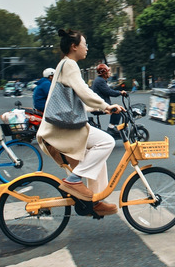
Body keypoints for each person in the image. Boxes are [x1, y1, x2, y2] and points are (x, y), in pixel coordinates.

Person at [36, 29, 124, 216]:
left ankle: (95, 200)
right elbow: (84, 92)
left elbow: (72, 102)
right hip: (59, 132)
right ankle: (74, 180)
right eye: (84, 44)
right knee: (107, 141)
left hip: (59, 130)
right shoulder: (70, 64)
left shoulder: (63, 65)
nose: (87, 48)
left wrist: (97, 108)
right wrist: (106, 107)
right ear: (74, 46)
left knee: (98, 159)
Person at [91, 63, 126, 133]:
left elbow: (109, 90)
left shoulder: (100, 80)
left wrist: (119, 91)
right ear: (104, 73)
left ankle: (112, 127)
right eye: (108, 72)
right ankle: (111, 128)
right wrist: (120, 93)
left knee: (118, 108)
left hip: (99, 104)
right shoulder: (100, 81)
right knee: (117, 110)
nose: (110, 73)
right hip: (99, 106)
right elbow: (109, 92)